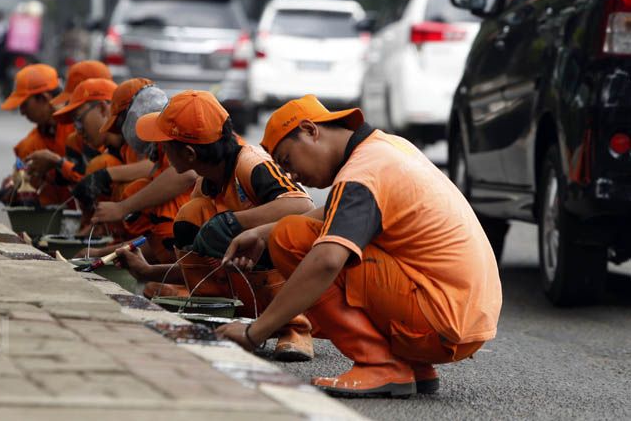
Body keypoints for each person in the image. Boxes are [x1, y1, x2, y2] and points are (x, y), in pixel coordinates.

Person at [216, 95, 502, 397]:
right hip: (463, 319)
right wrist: (262, 234)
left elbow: (327, 261)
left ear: (310, 131)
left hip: (438, 321)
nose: (292, 176)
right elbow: (337, 213)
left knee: (291, 238)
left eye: (287, 161)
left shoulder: (361, 175)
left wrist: (254, 332)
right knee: (299, 233)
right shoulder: (386, 149)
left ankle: (379, 364)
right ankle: (410, 364)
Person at [124, 90, 316, 361]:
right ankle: (215, 314)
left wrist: (234, 223)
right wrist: (148, 271)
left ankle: (294, 328)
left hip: (303, 282)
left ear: (189, 153)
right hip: (251, 284)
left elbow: (303, 206)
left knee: (256, 233)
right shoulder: (205, 186)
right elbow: (200, 270)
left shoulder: (251, 164)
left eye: (166, 145)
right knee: (190, 217)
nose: (162, 150)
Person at [71, 79, 197, 266]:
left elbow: (187, 174)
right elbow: (154, 240)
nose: (120, 133)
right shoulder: (155, 148)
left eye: (120, 126)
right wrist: (104, 252)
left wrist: (122, 208)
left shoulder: (174, 139)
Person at [0, 64, 73, 207]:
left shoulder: (81, 130)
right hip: (51, 219)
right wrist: (13, 188)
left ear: (44, 98)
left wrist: (58, 163)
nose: (22, 112)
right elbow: (22, 186)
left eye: (24, 104)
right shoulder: (28, 146)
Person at [26, 61, 113, 181]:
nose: (78, 128)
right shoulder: (76, 139)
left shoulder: (129, 135)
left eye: (78, 115)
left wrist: (59, 163)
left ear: (102, 107)